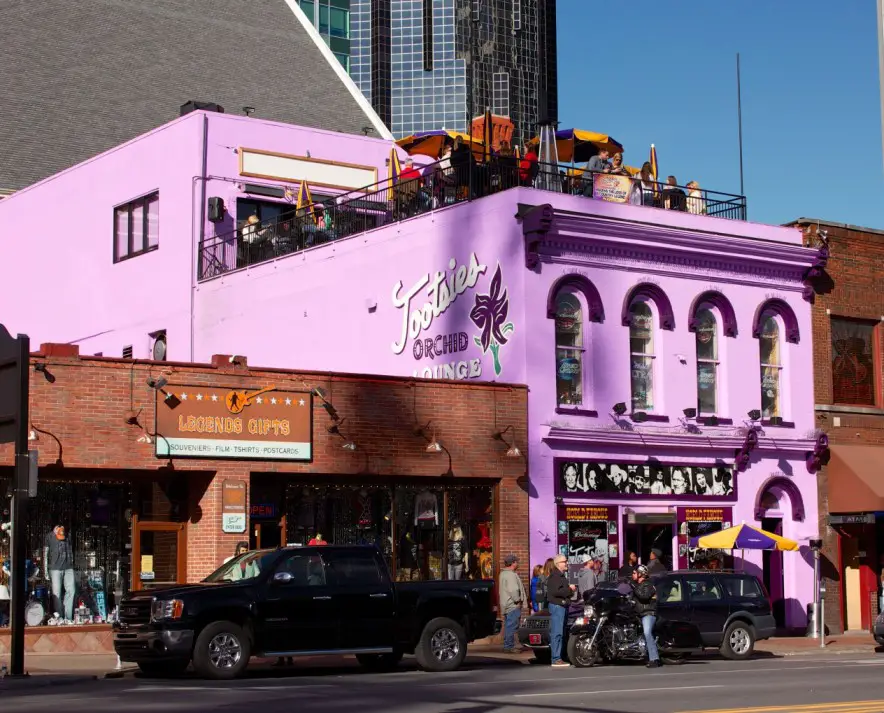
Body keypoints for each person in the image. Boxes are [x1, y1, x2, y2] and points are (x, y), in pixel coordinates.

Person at [547, 554, 576, 668]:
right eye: (564, 561)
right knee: (557, 633)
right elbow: (556, 592)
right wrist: (570, 589)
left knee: (561, 633)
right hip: (557, 606)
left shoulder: (560, 576)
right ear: (558, 564)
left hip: (562, 606)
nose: (567, 563)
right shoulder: (555, 576)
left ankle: (559, 657)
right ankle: (556, 658)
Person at [44, 519, 75, 622]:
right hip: (55, 569)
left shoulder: (68, 535)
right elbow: (45, 554)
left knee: (71, 591)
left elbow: (70, 551)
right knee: (56, 593)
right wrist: (45, 571)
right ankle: (60, 617)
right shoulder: (49, 537)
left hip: (68, 567)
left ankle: (68, 617)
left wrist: (72, 563)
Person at [631, 565, 661, 668]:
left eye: (634, 573)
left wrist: (633, 587)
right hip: (639, 614)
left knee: (647, 633)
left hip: (648, 613)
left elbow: (644, 596)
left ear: (640, 574)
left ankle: (654, 659)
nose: (632, 575)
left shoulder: (648, 585)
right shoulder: (637, 585)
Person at [498, 554, 527, 653]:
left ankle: (507, 645)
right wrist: (518, 600)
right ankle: (509, 646)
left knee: (508, 625)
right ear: (513, 563)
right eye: (516, 562)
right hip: (512, 604)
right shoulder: (510, 575)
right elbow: (514, 590)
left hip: (506, 603)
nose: (518, 563)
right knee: (512, 626)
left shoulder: (503, 573)